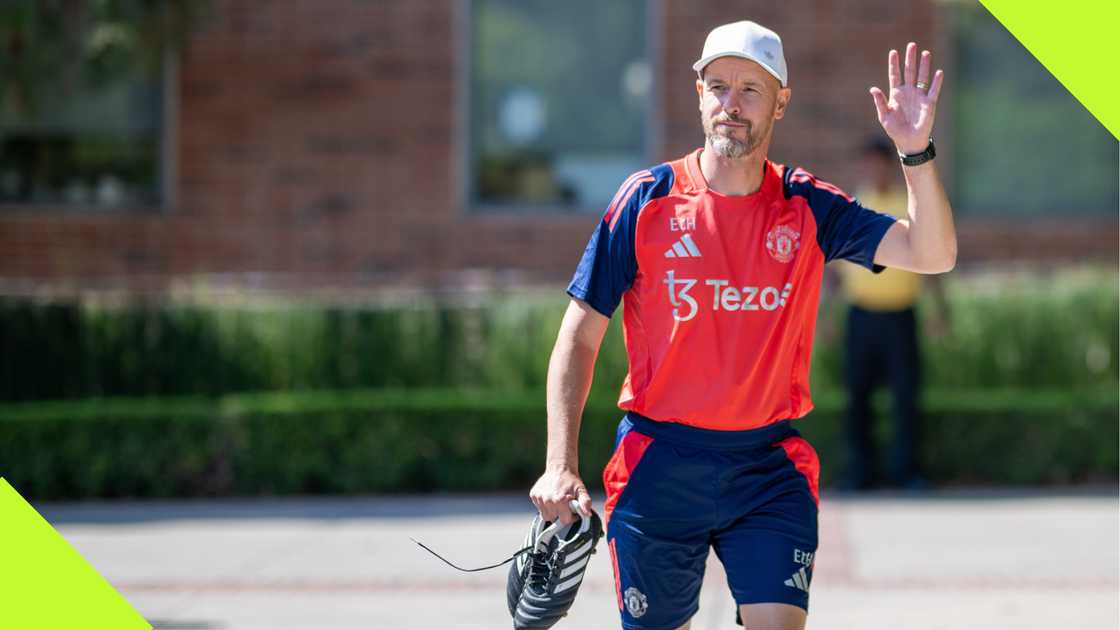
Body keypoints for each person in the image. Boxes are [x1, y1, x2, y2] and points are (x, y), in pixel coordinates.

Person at [529, 20, 956, 630]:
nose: (732, 103)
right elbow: (580, 334)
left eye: (751, 90)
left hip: (767, 468)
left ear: (781, 102)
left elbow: (933, 253)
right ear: (698, 92)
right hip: (658, 464)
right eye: (719, 86)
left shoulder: (809, 205)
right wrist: (559, 463)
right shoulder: (645, 200)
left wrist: (915, 153)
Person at [834, 138, 951, 491]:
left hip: (901, 316)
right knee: (857, 397)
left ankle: (907, 472)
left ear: (890, 166)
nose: (873, 171)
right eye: (866, 165)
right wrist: (825, 317)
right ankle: (861, 472)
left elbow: (931, 264)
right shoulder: (851, 206)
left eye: (879, 164)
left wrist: (940, 311)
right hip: (861, 317)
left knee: (906, 398)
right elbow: (835, 272)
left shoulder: (907, 205)